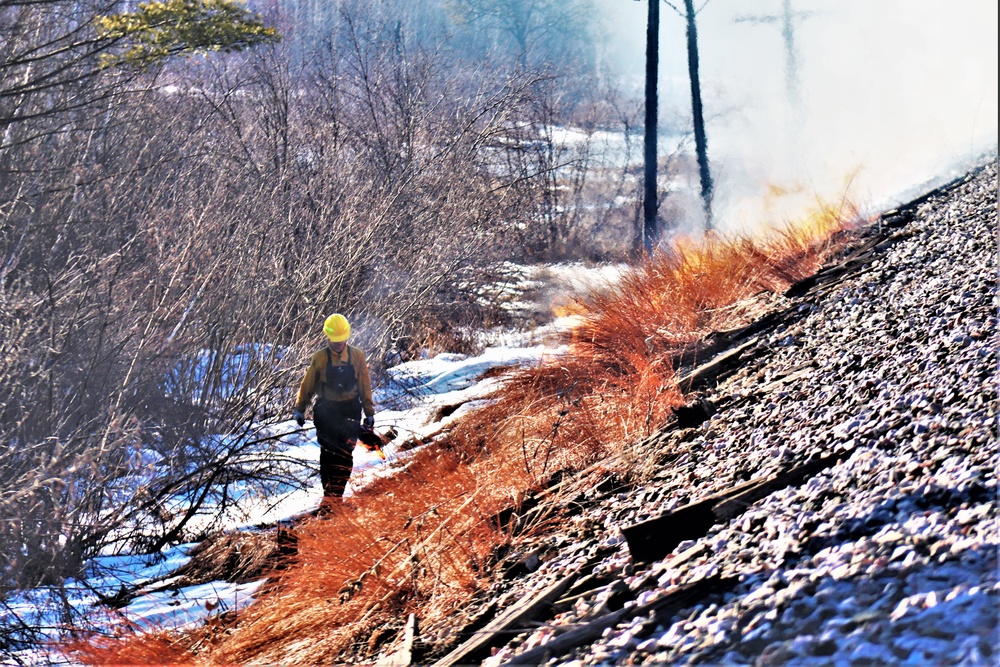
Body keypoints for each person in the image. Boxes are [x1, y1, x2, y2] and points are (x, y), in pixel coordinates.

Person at [293, 314, 375, 501]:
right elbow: (308, 385)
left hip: (350, 410)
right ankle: (329, 496)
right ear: (327, 337)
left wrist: (369, 412)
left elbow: (364, 384)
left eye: (342, 340)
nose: (339, 344)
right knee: (329, 454)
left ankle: (336, 496)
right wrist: (300, 408)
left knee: (345, 455)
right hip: (326, 411)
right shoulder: (320, 358)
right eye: (335, 340)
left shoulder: (357, 356)